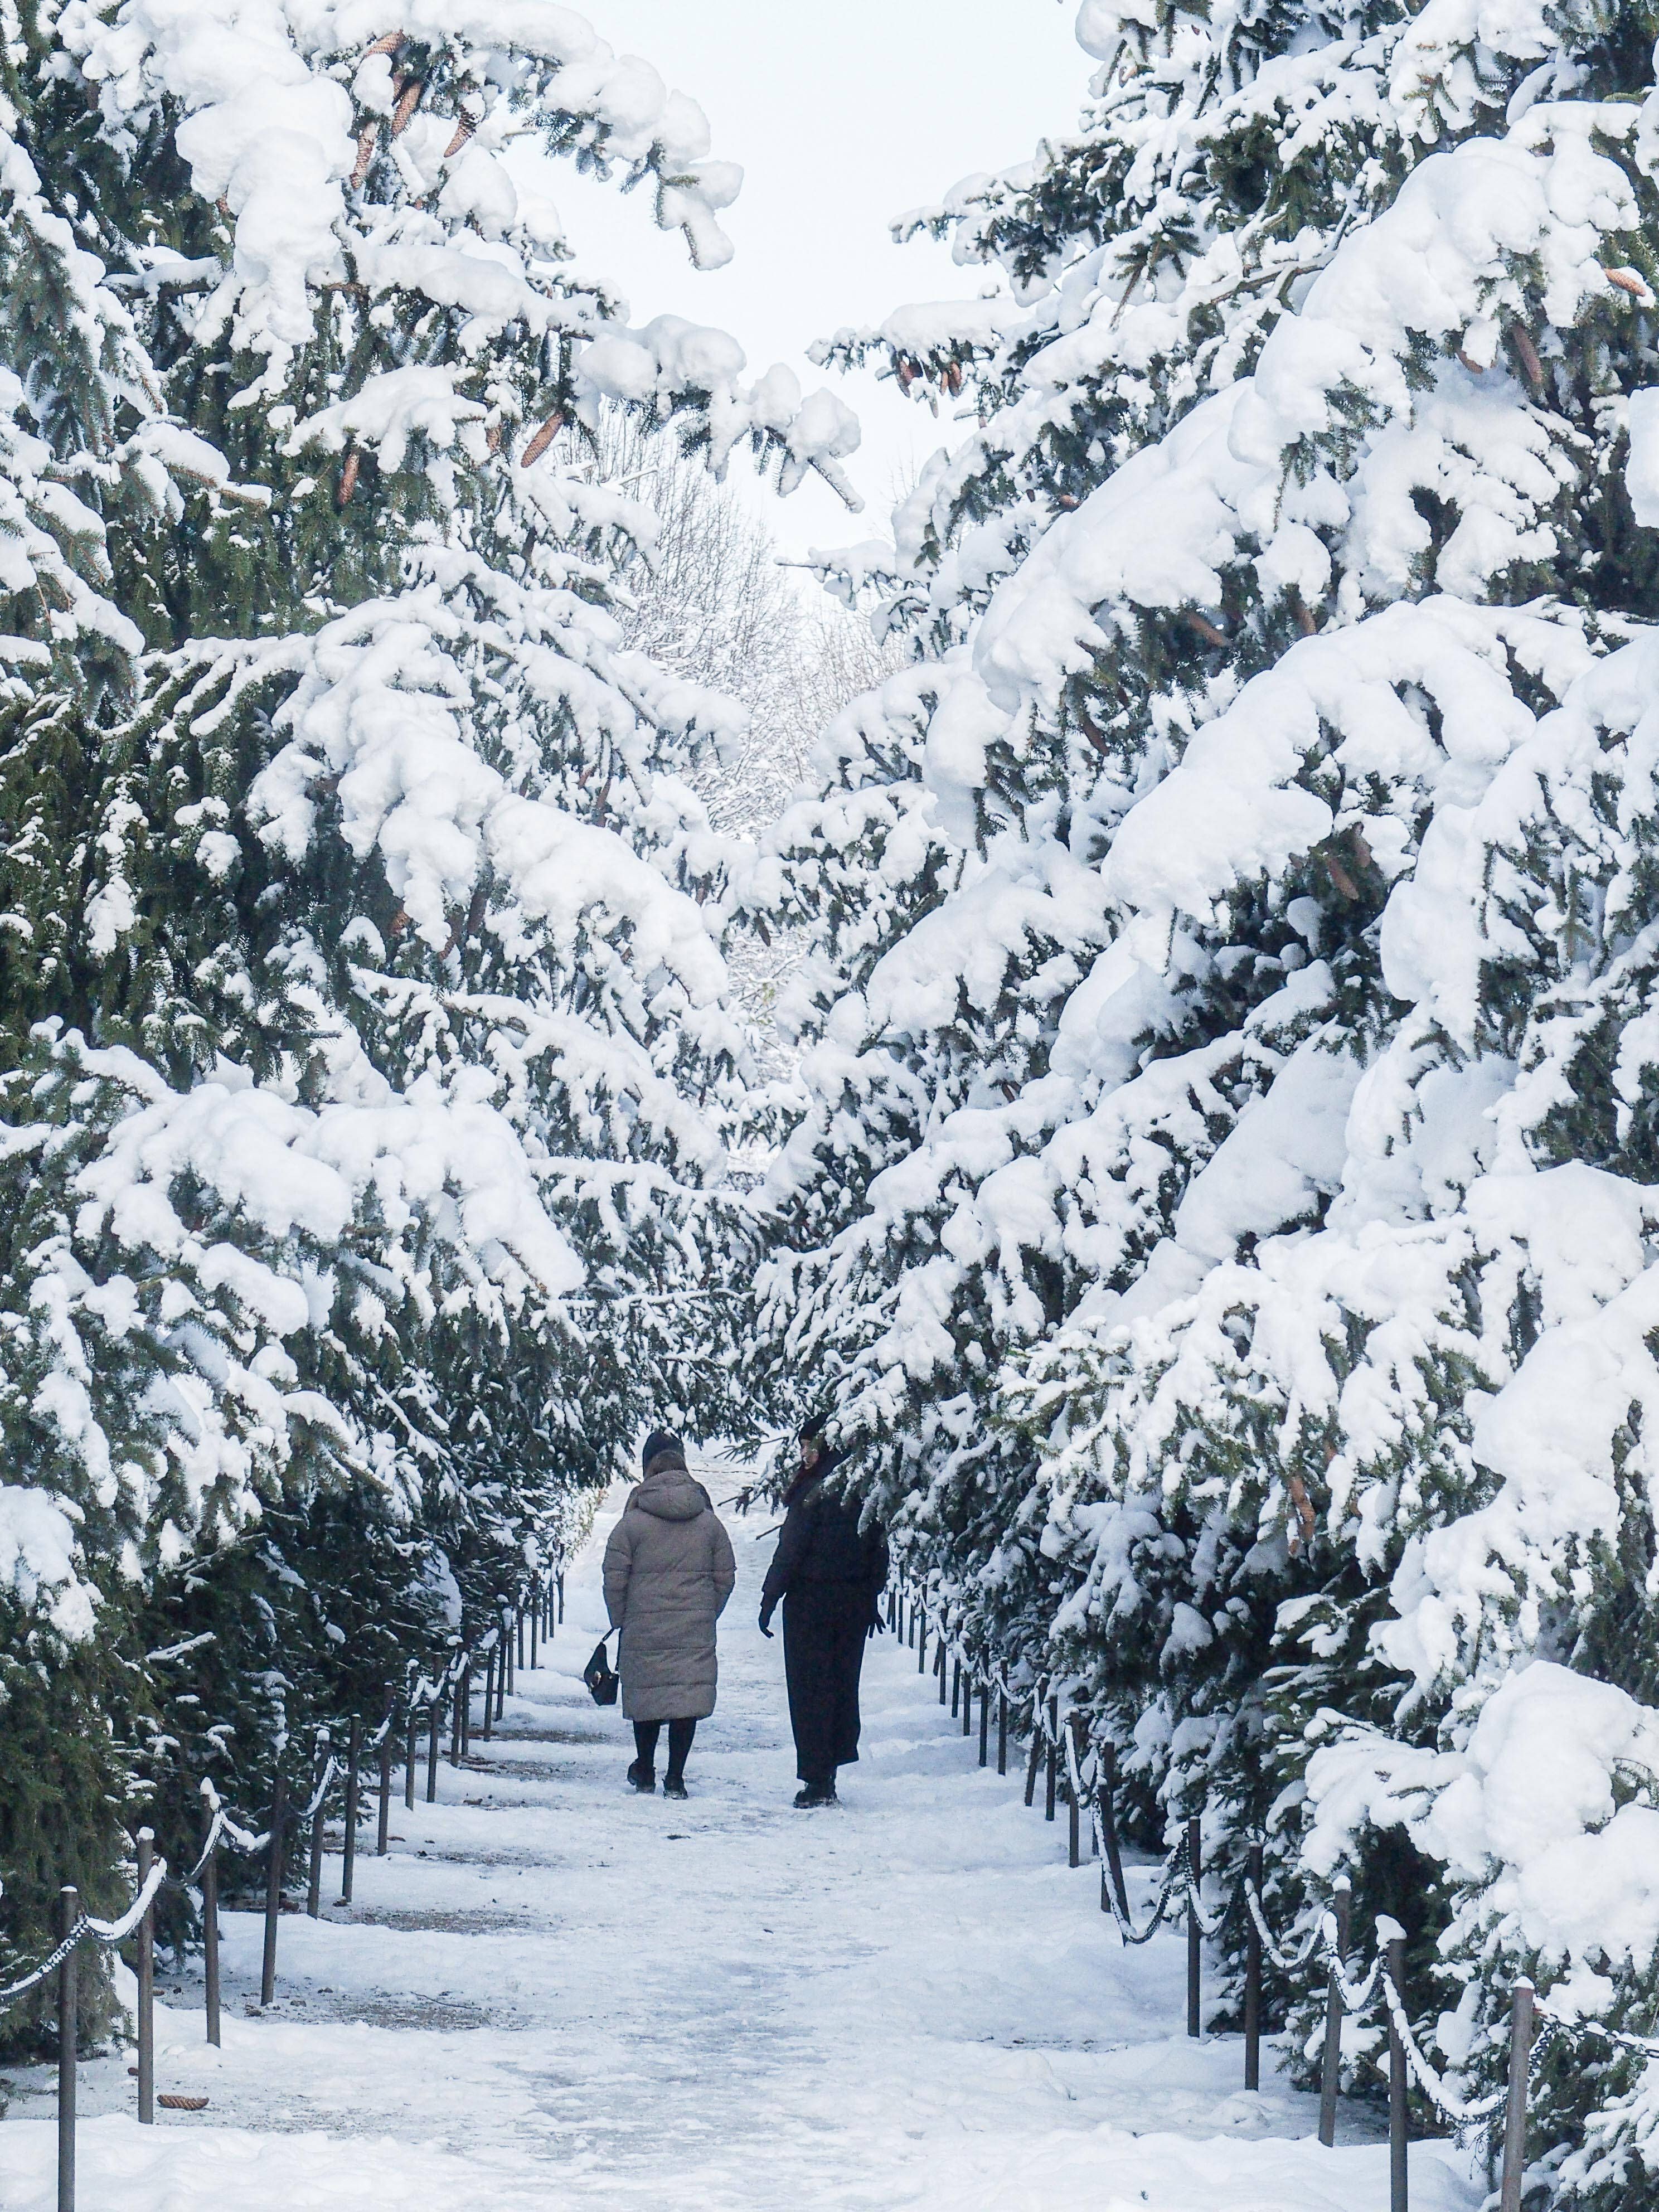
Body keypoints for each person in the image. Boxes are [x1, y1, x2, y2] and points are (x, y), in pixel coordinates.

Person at [758, 1418, 889, 1807]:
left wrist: (770, 1598)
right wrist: (870, 1596)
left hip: (809, 1606)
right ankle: (830, 1766)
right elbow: (878, 1548)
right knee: (842, 1687)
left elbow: (792, 1549)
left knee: (810, 1690)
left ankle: (817, 1778)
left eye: (808, 1446)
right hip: (851, 1606)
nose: (804, 1453)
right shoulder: (861, 1487)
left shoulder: (812, 1490)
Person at [603, 1431, 735, 1798]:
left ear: (648, 1467)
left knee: (648, 1696)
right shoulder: (708, 1522)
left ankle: (644, 1768)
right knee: (684, 1699)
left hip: (643, 1627)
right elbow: (726, 1575)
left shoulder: (632, 1522)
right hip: (693, 1627)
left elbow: (614, 1575)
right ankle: (676, 1777)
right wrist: (708, 1611)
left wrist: (621, 1618)